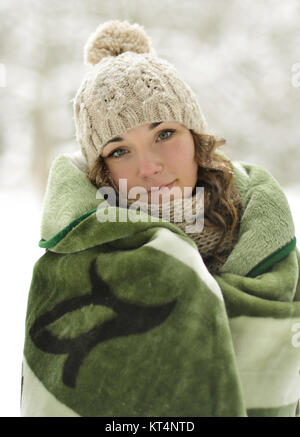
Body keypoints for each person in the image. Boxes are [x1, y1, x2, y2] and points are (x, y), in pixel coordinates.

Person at [21, 20, 300, 417]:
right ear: (101, 172)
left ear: (196, 138)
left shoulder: (266, 243)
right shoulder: (78, 267)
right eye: (120, 151)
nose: (149, 166)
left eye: (164, 134)